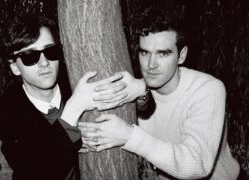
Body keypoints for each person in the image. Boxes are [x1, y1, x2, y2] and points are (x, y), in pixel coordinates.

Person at [78, 8, 240, 180]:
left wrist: (129, 136)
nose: (151, 65)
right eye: (144, 52)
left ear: (181, 55)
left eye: (163, 54)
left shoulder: (207, 89)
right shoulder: (135, 91)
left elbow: (197, 164)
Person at [0, 14, 129, 180]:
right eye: (30, 56)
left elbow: (141, 109)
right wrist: (73, 111)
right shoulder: (5, 110)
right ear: (15, 67)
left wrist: (142, 92)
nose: (44, 63)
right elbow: (35, 171)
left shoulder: (74, 80)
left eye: (50, 51)